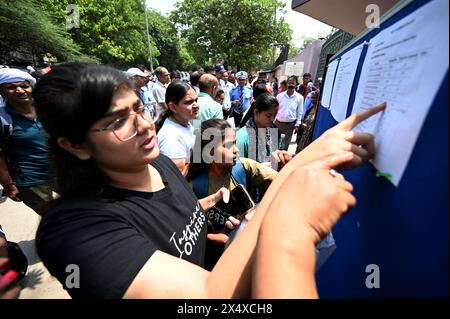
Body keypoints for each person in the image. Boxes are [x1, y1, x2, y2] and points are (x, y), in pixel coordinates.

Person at [32, 62, 385, 299]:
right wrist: (286, 217)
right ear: (75, 145)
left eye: (139, 107)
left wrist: (235, 220)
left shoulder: (159, 167)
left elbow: (185, 221)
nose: (142, 124)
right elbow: (208, 297)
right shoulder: (75, 230)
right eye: (117, 121)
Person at [186, 119, 278, 268]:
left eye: (235, 143)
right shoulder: (194, 187)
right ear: (209, 152)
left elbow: (280, 180)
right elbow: (184, 228)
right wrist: (213, 238)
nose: (236, 149)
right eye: (229, 145)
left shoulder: (243, 167)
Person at [0, 68, 56, 216]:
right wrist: (8, 185)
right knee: (54, 218)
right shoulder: (3, 119)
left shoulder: (47, 108)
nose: (19, 90)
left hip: (63, 170)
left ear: (31, 87)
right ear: (1, 92)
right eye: (11, 87)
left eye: (24, 86)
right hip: (32, 180)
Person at [237, 93, 291, 169]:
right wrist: (259, 168)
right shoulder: (242, 137)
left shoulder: (273, 131)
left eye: (274, 116)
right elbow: (237, 169)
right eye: (268, 116)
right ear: (256, 112)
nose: (272, 119)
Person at [156, 81, 199, 174]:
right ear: (173, 107)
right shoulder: (170, 137)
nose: (196, 105)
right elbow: (178, 177)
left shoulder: (188, 122)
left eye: (196, 100)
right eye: (189, 102)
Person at [275, 76, 304, 151]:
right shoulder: (280, 96)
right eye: (289, 83)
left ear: (296, 84)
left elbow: (300, 111)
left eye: (293, 83)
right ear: (286, 84)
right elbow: (275, 109)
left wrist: (297, 124)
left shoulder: (299, 97)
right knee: (274, 144)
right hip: (277, 123)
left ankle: (281, 162)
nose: (291, 85)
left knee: (285, 145)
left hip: (290, 125)